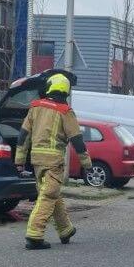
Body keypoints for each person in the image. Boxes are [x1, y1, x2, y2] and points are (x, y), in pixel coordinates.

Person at [15, 73, 92, 250]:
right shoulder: (65, 111)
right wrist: (86, 164)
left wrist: (19, 160)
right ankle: (34, 235)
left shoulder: (35, 107)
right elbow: (77, 140)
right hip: (54, 161)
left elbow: (23, 136)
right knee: (49, 195)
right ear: (66, 91)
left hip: (36, 160)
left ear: (49, 87)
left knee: (51, 193)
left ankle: (65, 229)